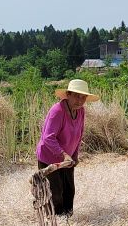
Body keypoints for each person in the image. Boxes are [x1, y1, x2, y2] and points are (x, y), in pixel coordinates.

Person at [36, 78, 99, 216]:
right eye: (76, 96)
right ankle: (55, 220)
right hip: (50, 158)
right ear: (68, 94)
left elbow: (79, 134)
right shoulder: (57, 111)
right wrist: (64, 154)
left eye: (83, 97)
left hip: (67, 159)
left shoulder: (80, 111)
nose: (80, 100)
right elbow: (48, 137)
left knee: (69, 191)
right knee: (55, 193)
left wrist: (75, 155)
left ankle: (68, 219)